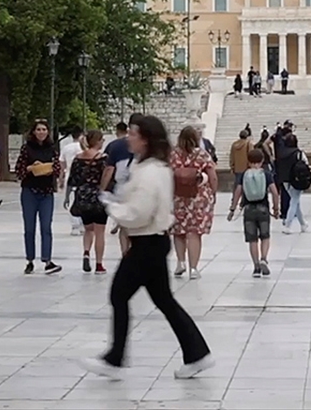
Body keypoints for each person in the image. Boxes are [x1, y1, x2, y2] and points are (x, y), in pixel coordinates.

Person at [80, 115, 213, 381]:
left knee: (119, 294)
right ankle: (197, 353)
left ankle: (115, 358)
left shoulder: (151, 171)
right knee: (164, 301)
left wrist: (112, 207)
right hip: (152, 241)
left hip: (148, 241)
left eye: (133, 133)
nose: (128, 137)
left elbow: (139, 212)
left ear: (146, 139)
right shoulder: (148, 166)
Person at [15, 120, 63, 275]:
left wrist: (49, 168)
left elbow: (57, 168)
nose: (42, 132)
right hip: (30, 190)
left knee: (46, 227)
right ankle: (29, 259)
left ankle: (47, 260)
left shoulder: (52, 149)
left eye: (44, 129)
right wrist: (31, 167)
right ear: (34, 132)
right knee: (29, 228)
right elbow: (19, 169)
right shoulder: (27, 148)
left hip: (46, 191)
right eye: (39, 129)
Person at [170, 126, 216, 279]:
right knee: (194, 233)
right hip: (198, 197)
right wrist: (213, 193)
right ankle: (194, 268)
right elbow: (212, 176)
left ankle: (180, 262)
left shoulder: (173, 155)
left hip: (178, 197)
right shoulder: (202, 155)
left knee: (178, 232)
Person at [227, 148, 281, 278]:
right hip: (263, 208)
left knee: (252, 239)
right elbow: (274, 192)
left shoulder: (243, 174)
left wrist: (232, 209)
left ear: (249, 161)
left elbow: (238, 192)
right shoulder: (266, 174)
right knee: (265, 236)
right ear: (262, 161)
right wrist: (276, 208)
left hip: (249, 209)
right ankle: (263, 258)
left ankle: (256, 266)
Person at [71, 130, 109, 274]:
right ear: (97, 141)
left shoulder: (78, 158)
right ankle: (99, 264)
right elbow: (108, 176)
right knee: (100, 231)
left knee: (88, 229)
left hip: (83, 197)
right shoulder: (103, 158)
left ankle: (86, 252)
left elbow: (73, 179)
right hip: (98, 197)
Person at [102, 119, 136, 257]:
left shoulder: (114, 145)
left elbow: (109, 168)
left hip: (121, 187)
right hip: (139, 188)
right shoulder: (149, 145)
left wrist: (102, 189)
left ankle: (125, 254)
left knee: (124, 225)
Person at [61, 128, 86, 236]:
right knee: (82, 201)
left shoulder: (66, 148)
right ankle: (82, 224)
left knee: (71, 201)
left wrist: (61, 177)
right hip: (83, 178)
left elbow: (62, 163)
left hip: (69, 176)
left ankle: (74, 226)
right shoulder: (83, 149)